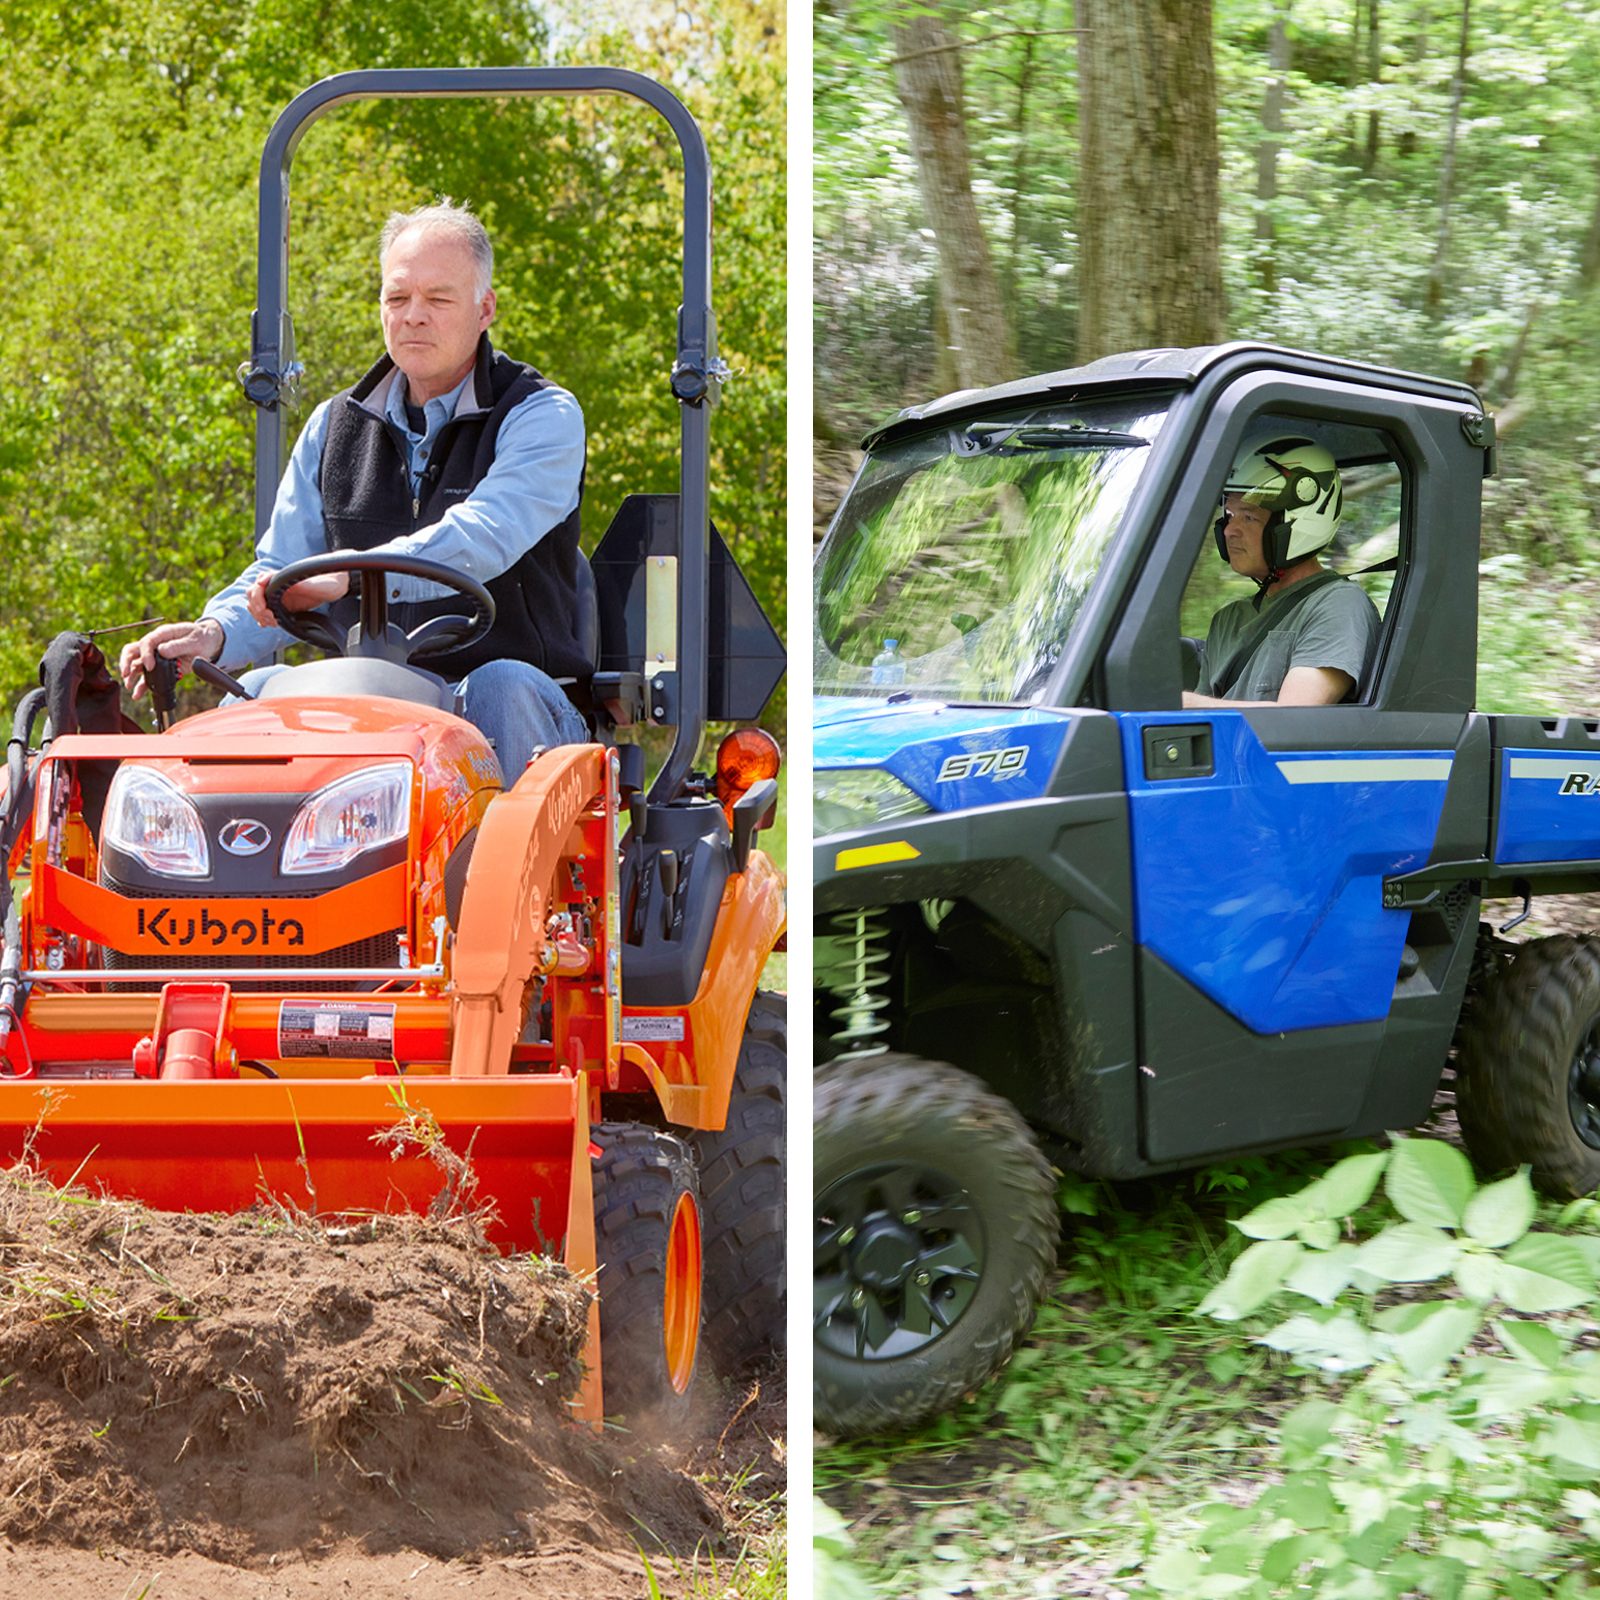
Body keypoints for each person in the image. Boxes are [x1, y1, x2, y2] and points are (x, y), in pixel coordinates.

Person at [120, 200, 590, 778]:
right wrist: (211, 633)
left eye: (438, 299)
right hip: (367, 702)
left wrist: (356, 572)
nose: (414, 315)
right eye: (398, 298)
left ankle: (509, 869)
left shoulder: (540, 415)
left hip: (508, 701)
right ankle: (231, 864)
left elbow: (486, 533)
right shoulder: (333, 426)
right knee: (260, 691)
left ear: (484, 308)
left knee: (502, 684)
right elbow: (280, 565)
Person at [1183, 435, 1379, 708]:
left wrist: (1182, 703)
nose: (1229, 530)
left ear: (1298, 524)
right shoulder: (1226, 620)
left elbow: (1292, 721)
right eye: (1229, 516)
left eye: (1249, 517)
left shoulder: (1339, 606)